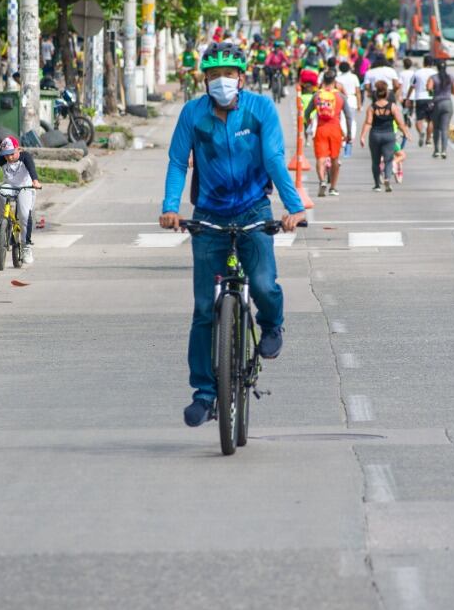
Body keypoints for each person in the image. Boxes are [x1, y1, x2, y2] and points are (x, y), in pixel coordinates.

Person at [159, 41, 305, 428]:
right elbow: (178, 161)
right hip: (209, 215)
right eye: (213, 75)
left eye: (228, 74)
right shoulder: (193, 114)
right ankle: (205, 394)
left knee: (263, 284)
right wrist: (170, 207)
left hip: (254, 209)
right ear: (204, 79)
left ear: (241, 77)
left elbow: (273, 158)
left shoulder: (260, 109)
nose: (221, 81)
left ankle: (271, 324)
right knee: (203, 309)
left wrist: (293, 207)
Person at [0, 135, 42, 264]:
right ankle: (4, 218)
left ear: (19, 149)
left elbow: (32, 169)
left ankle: (26, 247)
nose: (9, 158)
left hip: (25, 187)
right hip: (10, 187)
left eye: (12, 154)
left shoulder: (25, 157)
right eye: (6, 155)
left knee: (24, 215)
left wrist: (35, 181)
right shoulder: (3, 158)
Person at [304, 69, 355, 197]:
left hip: (321, 130)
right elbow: (349, 116)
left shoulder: (317, 95)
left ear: (323, 81)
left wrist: (309, 122)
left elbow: (307, 112)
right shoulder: (340, 96)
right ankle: (333, 187)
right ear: (334, 82)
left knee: (320, 159)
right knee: (335, 159)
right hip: (335, 130)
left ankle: (322, 180)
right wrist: (349, 134)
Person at [359, 80, 410, 192]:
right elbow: (400, 122)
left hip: (375, 135)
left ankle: (377, 185)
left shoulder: (372, 107)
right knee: (388, 159)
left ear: (376, 94)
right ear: (387, 94)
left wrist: (362, 136)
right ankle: (387, 178)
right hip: (389, 135)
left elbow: (368, 123)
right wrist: (406, 132)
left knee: (375, 161)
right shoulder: (392, 107)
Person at [426, 60, 454, 158]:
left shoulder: (433, 77)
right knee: (445, 128)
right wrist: (447, 90)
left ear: (437, 67)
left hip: (437, 104)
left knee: (436, 128)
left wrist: (433, 94)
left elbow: (429, 88)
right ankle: (444, 151)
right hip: (447, 103)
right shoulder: (451, 77)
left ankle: (436, 150)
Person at [404, 56, 436, 149]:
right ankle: (428, 139)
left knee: (419, 119)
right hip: (431, 98)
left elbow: (412, 86)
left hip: (419, 98)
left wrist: (407, 98)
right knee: (431, 120)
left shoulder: (417, 73)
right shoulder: (434, 73)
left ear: (423, 62)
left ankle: (421, 132)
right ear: (432, 63)